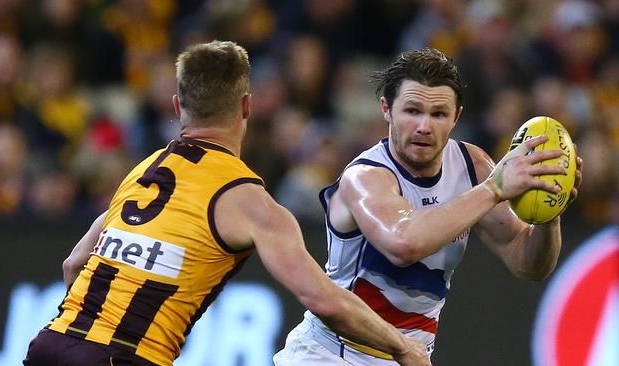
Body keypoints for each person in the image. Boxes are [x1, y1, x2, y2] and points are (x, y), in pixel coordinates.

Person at [22, 41, 430, 366]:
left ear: (178, 107)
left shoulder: (142, 170)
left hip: (50, 344)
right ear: (246, 106)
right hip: (124, 355)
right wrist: (400, 345)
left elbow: (74, 263)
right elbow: (323, 299)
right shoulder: (248, 201)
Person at [274, 47, 583, 365]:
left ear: (457, 116)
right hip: (332, 354)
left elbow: (528, 263)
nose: (424, 126)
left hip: (409, 357)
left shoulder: (471, 165)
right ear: (386, 109)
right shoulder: (365, 177)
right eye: (412, 111)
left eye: (438, 114)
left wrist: (549, 209)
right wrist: (493, 189)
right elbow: (403, 244)